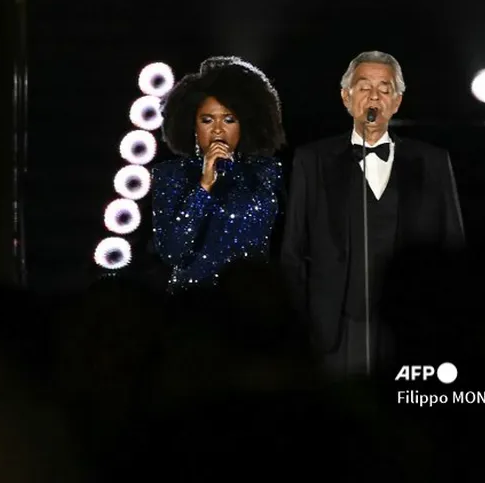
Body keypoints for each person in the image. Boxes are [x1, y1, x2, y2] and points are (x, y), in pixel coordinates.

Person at [280, 50, 465, 377]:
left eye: (385, 88)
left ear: (397, 101)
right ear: (346, 97)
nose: (374, 97)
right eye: (364, 87)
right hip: (334, 328)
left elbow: (454, 248)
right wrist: (300, 325)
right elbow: (293, 252)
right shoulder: (312, 160)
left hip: (411, 327)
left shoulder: (432, 162)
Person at [151, 56, 286, 293]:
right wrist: (203, 186)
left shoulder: (267, 172)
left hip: (252, 301)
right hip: (192, 302)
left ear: (245, 124)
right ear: (193, 126)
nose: (217, 130)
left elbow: (285, 244)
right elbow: (172, 252)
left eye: (229, 119)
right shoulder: (171, 175)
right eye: (207, 120)